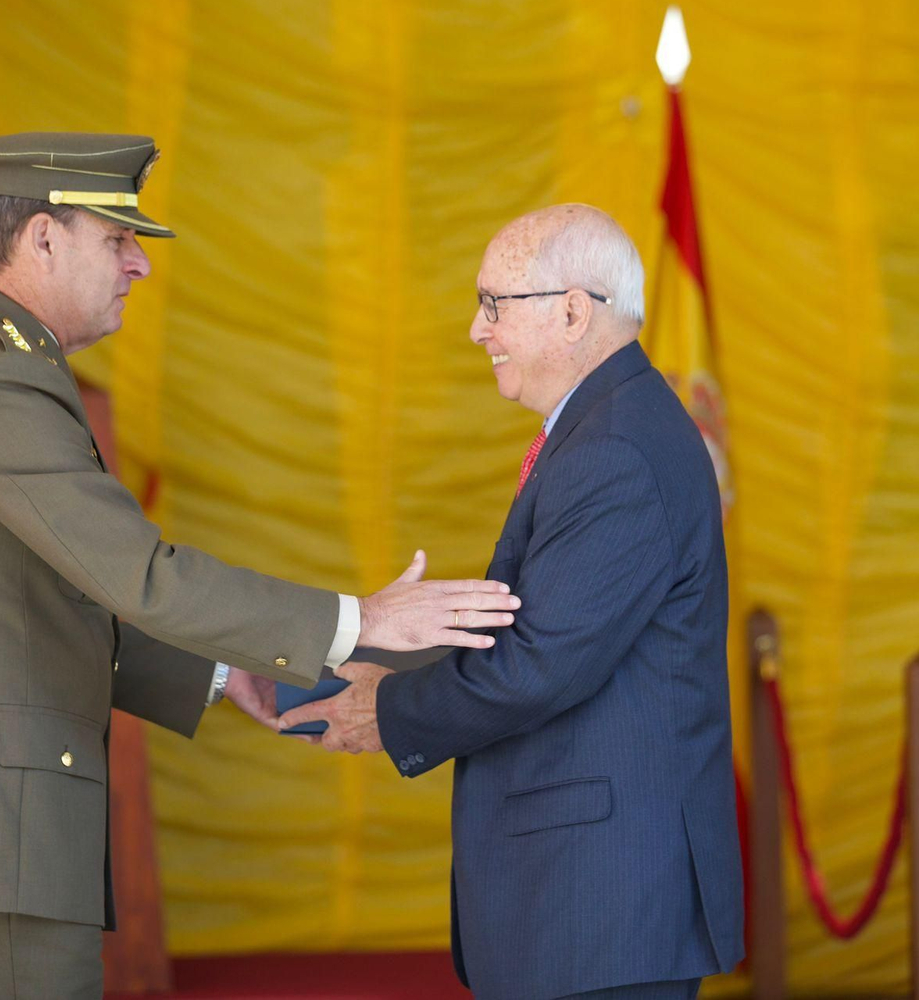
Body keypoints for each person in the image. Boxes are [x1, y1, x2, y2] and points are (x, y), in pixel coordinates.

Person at [0, 132, 519, 999]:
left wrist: (217, 672)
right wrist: (361, 619)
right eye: (117, 239)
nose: (138, 263)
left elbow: (25, 602)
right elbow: (141, 574)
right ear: (43, 238)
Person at [282, 204, 744, 999]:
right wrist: (368, 644)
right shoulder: (608, 424)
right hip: (593, 902)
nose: (477, 329)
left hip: (603, 906)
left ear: (573, 312)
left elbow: (537, 666)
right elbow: (545, 630)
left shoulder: (616, 446)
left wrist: (384, 708)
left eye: (494, 303)